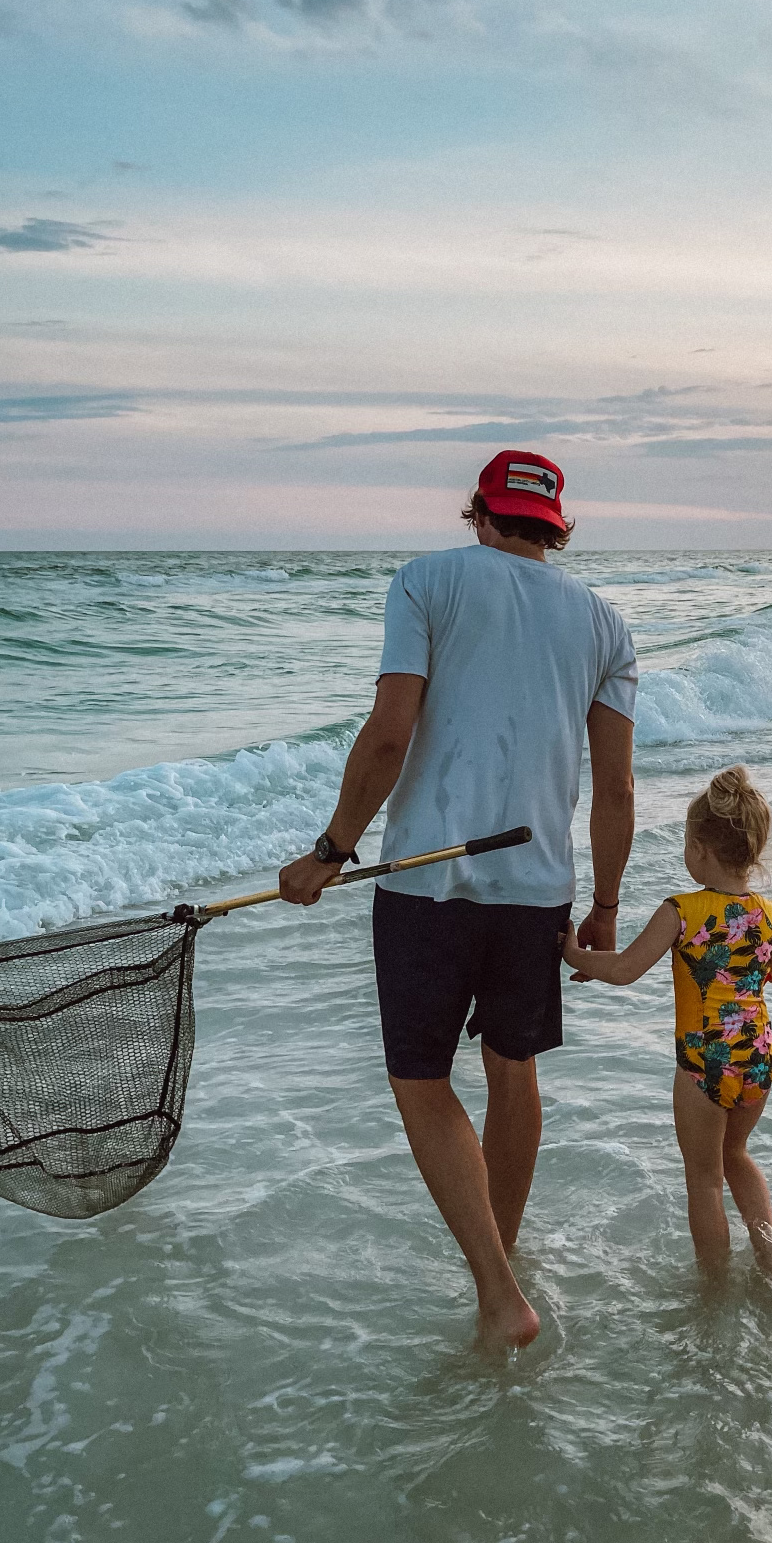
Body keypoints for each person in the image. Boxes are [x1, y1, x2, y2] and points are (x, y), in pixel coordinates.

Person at [279, 450, 637, 1348]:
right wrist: (603, 906)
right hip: (539, 887)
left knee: (420, 1079)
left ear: (479, 509)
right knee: (513, 1072)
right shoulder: (605, 623)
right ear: (557, 527)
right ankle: (501, 1263)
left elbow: (390, 735)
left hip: (427, 882)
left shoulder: (425, 581)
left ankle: (496, 1291)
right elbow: (619, 789)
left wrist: (332, 850)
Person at [560, 766, 772, 1284]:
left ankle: (715, 1288)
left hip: (703, 1064)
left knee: (705, 1180)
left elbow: (624, 970)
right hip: (758, 1060)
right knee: (737, 1155)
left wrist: (572, 952)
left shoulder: (681, 911)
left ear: (699, 848)